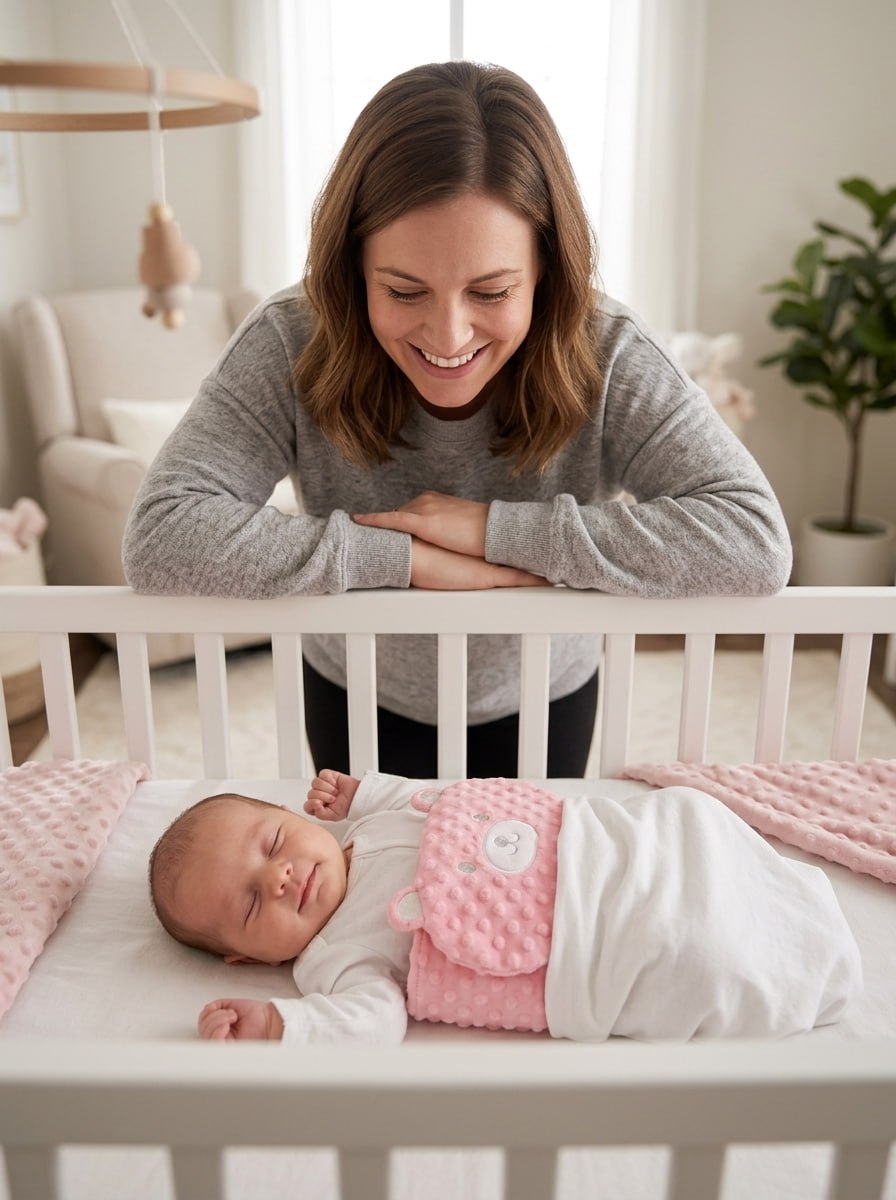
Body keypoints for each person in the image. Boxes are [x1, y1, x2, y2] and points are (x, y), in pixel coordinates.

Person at [123, 62, 792, 779]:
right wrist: (407, 558)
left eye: (492, 292)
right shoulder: (292, 338)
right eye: (403, 291)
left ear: (545, 269)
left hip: (543, 690)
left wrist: (491, 530)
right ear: (353, 268)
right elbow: (162, 535)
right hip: (354, 685)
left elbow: (752, 539)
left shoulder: (609, 350)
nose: (448, 337)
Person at [148, 770, 861, 1045]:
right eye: (251, 903)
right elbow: (372, 1023)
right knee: (686, 949)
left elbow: (424, 800)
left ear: (293, 816)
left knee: (684, 816)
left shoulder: (368, 829)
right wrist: (282, 1024)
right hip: (587, 939)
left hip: (592, 844)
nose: (279, 878)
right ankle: (788, 966)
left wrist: (363, 791)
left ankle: (764, 890)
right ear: (244, 958)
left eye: (275, 842)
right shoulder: (332, 962)